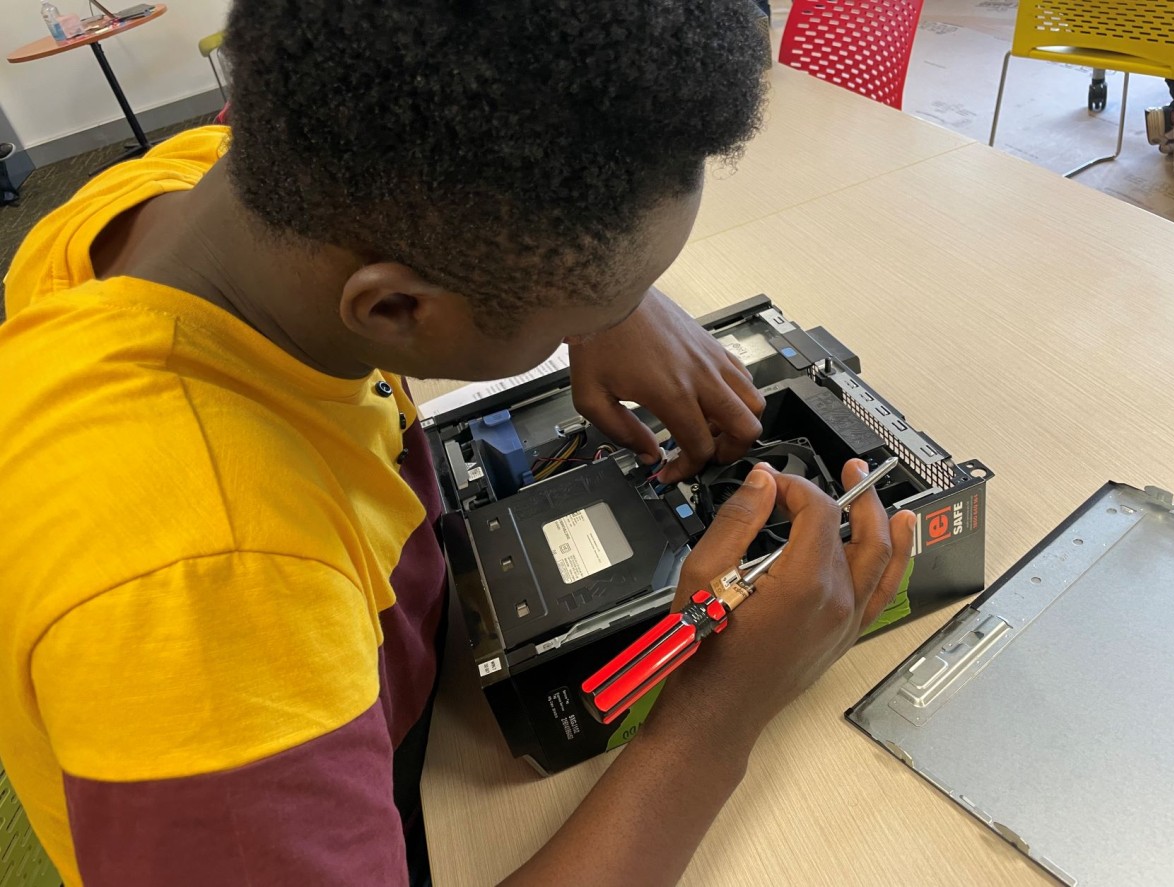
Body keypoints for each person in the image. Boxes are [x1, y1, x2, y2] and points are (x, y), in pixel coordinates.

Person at [0, 1, 915, 885]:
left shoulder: (188, 190)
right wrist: (718, 714)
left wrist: (609, 301)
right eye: (594, 305)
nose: (617, 318)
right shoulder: (211, 585)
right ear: (396, 308)